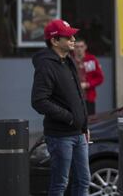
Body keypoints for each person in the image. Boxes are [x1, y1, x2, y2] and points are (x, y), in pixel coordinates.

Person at [31, 19, 90, 196]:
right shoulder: (46, 65)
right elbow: (39, 101)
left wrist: (84, 126)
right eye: (68, 36)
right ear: (55, 41)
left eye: (72, 34)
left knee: (83, 181)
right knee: (60, 184)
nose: (73, 38)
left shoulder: (68, 61)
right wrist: (70, 118)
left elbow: (79, 96)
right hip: (60, 136)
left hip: (79, 134)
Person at [73, 38, 104, 115]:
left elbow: (100, 78)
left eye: (81, 46)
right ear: (73, 47)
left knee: (91, 122)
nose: (79, 49)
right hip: (73, 98)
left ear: (85, 47)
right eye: (77, 47)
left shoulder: (91, 59)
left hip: (89, 98)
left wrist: (87, 84)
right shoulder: (69, 60)